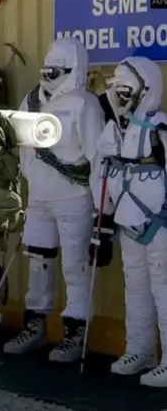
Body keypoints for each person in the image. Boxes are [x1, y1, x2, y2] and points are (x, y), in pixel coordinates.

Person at [2, 38, 108, 363]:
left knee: (75, 266)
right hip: (39, 197)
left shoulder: (85, 105)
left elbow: (98, 158)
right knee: (38, 260)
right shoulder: (31, 100)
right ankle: (35, 326)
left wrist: (102, 211)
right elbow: (21, 143)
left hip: (74, 198)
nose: (49, 76)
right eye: (47, 69)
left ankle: (75, 332)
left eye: (56, 70)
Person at [95, 56, 167, 387]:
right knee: (135, 291)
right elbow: (100, 173)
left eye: (126, 91)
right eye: (117, 90)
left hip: (159, 226)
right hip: (127, 224)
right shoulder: (112, 131)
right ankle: (139, 350)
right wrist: (101, 218)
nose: (119, 97)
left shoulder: (159, 129)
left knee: (164, 292)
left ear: (145, 90)